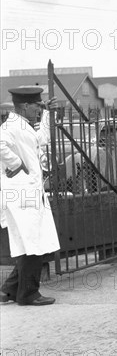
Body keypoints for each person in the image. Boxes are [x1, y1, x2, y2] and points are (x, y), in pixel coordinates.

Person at [0, 87, 60, 306]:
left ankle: (8, 290)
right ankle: (28, 294)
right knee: (33, 242)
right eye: (37, 106)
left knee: (31, 242)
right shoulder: (10, 127)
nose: (38, 109)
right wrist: (15, 164)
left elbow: (41, 139)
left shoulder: (23, 126)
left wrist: (47, 115)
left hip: (29, 193)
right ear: (25, 106)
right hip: (22, 194)